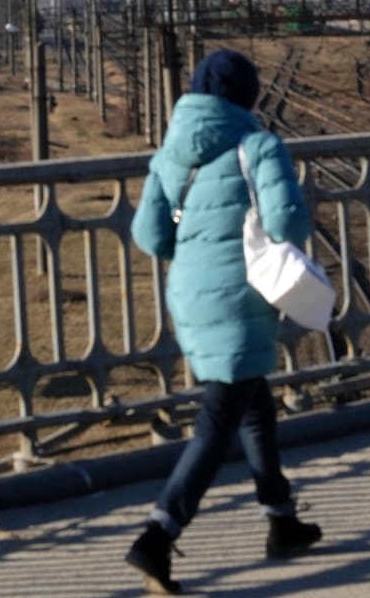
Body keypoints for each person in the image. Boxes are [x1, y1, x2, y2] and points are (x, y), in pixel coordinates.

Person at [124, 48, 321, 594]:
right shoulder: (258, 146)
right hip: (239, 298)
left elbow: (149, 237)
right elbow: (284, 222)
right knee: (216, 424)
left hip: (189, 292)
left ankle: (281, 520)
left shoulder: (170, 155)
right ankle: (157, 538)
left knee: (252, 405)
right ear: (246, 97)